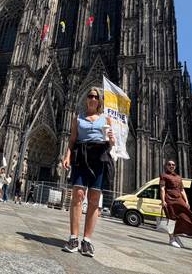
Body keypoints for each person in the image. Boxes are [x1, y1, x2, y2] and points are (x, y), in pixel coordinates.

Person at [62, 87, 115, 257]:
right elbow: (72, 140)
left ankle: (87, 240)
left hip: (99, 157)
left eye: (95, 96)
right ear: (86, 99)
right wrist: (67, 156)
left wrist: (112, 141)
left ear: (99, 101)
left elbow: (110, 142)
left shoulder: (106, 118)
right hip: (81, 156)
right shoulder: (77, 118)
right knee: (77, 195)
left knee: (94, 199)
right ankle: (73, 237)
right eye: (90, 96)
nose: (92, 98)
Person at [160, 160, 192, 248]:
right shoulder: (164, 176)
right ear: (166, 166)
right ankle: (171, 239)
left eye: (173, 165)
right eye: (169, 164)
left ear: (175, 166)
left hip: (179, 199)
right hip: (169, 199)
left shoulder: (179, 177)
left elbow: (182, 190)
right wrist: (163, 200)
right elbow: (162, 188)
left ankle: (176, 235)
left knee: (185, 216)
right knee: (171, 219)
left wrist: (186, 201)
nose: (171, 166)